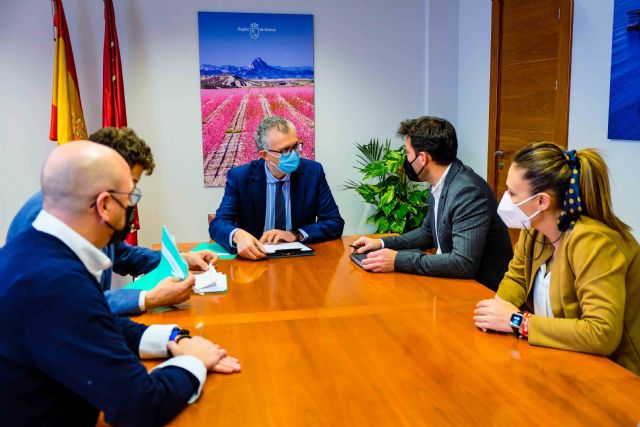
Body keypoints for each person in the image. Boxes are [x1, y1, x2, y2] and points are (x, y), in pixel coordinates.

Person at [0, 141, 240, 426]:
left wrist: (173, 339)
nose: (131, 207)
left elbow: (96, 321)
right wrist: (194, 361)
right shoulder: (56, 282)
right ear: (104, 205)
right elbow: (139, 405)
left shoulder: (36, 251)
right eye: (130, 197)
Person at [5, 127, 215, 316]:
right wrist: (148, 299)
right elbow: (68, 305)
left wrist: (183, 259)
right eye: (129, 185)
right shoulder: (47, 218)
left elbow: (122, 254)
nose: (131, 197)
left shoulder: (91, 211)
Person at [473, 142, 640, 375]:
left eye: (512, 193)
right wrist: (496, 311)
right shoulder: (534, 228)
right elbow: (517, 278)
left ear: (541, 201)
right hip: (558, 360)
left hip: (614, 375)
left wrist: (518, 321)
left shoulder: (594, 242)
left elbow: (601, 333)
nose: (505, 199)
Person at [352, 116, 513, 290]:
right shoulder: (440, 182)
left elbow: (463, 263)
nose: (406, 160)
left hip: (479, 291)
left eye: (407, 153)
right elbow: (428, 232)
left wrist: (398, 260)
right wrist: (382, 243)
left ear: (422, 158)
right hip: (451, 282)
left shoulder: (467, 191)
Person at [209, 115, 345, 260]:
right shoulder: (240, 177)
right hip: (256, 259)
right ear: (264, 155)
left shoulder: (313, 172)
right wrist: (237, 235)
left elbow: (334, 222)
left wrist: (295, 234)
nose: (293, 154)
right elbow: (218, 224)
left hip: (300, 260)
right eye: (285, 150)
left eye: (296, 146)